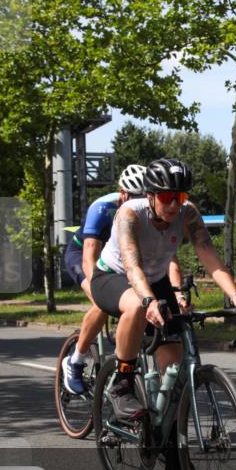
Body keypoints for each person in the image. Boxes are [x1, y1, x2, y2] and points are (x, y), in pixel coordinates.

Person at [91, 158, 236, 421]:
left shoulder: (188, 213)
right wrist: (149, 302)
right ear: (150, 196)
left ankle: (168, 431)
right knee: (136, 306)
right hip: (113, 276)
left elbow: (209, 255)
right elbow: (132, 267)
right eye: (166, 197)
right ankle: (122, 383)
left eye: (181, 196)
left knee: (173, 363)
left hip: (155, 280)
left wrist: (235, 296)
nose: (175, 204)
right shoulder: (130, 213)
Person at [60, 164, 182, 395]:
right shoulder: (102, 207)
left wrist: (177, 292)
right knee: (103, 305)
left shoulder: (150, 212)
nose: (136, 202)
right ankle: (75, 361)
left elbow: (170, 259)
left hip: (124, 259)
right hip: (84, 255)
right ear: (122, 193)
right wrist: (102, 296)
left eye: (140, 197)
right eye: (131, 196)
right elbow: (89, 257)